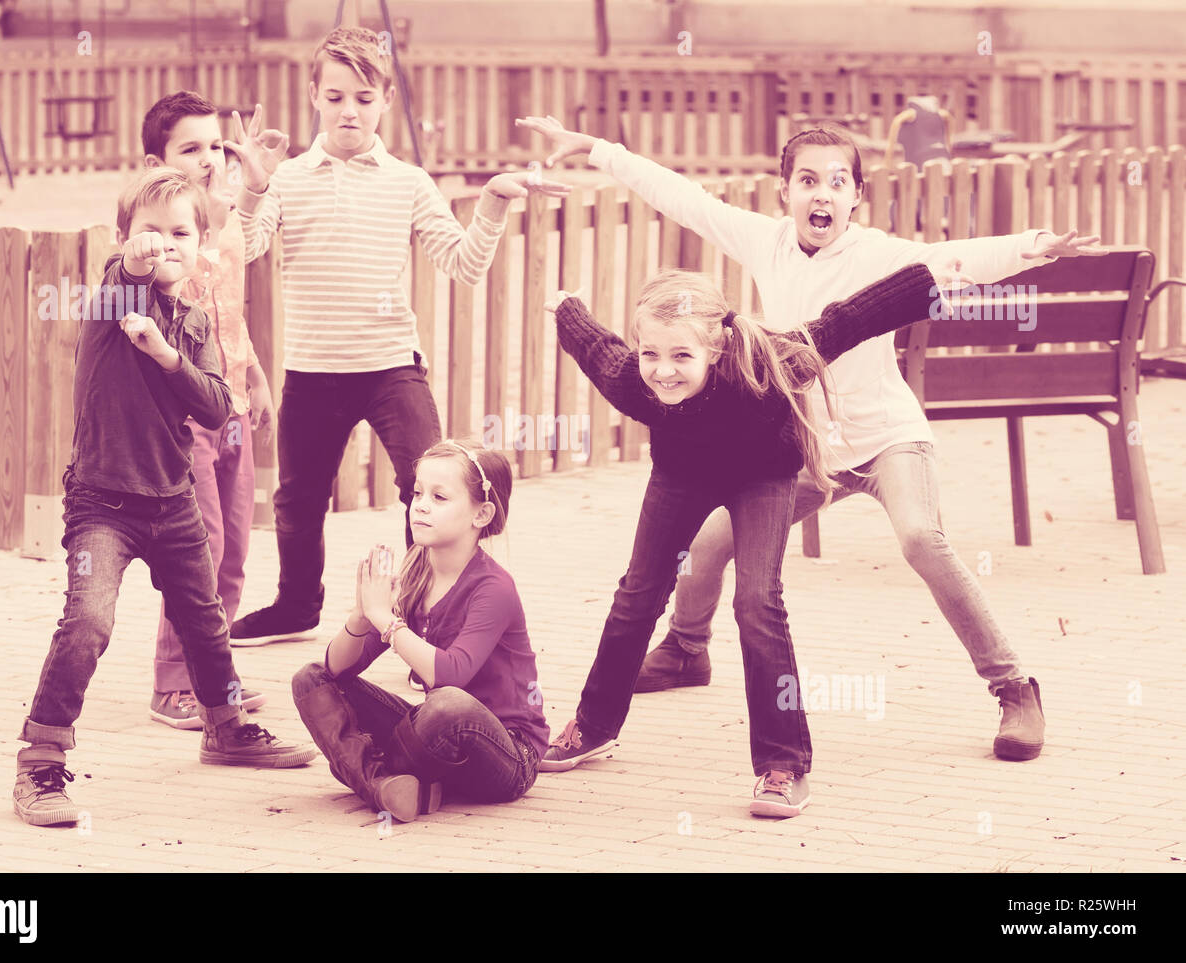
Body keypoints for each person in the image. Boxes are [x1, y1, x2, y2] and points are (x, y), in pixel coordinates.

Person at [519, 116, 1105, 762]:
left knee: (920, 537)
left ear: (856, 195)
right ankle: (688, 648)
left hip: (884, 436)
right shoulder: (764, 242)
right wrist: (601, 151)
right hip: (801, 442)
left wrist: (1035, 246)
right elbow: (685, 200)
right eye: (807, 181)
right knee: (712, 539)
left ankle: (1013, 684)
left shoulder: (879, 253)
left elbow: (952, 263)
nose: (821, 194)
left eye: (836, 182)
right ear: (784, 191)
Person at [539, 262, 949, 817]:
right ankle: (593, 726)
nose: (662, 371)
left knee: (757, 601)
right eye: (651, 354)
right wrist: (568, 308)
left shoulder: (769, 359)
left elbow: (846, 321)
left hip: (764, 476)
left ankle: (785, 764)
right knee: (638, 594)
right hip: (682, 475)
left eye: (681, 356)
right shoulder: (634, 381)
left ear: (717, 345)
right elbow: (597, 348)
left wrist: (929, 283)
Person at [227, 27, 569, 651]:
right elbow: (244, 249)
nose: (348, 110)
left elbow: (464, 264)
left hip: (391, 366)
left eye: (363, 96)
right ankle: (297, 605)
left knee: (430, 485)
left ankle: (425, 619)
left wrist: (491, 202)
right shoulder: (287, 178)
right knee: (297, 499)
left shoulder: (407, 181)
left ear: (386, 98)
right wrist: (251, 186)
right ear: (313, 97)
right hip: (313, 368)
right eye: (334, 97)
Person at [13, 167, 315, 828]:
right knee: (89, 619)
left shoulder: (196, 322)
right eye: (149, 232)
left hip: (173, 501)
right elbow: (127, 276)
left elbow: (213, 406)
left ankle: (226, 725)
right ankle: (39, 760)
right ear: (122, 239)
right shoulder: (113, 301)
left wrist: (167, 355)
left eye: (180, 232)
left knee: (205, 620)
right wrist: (133, 265)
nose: (164, 244)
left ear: (202, 244)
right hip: (102, 505)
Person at [292, 440, 548, 822]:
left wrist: (386, 619)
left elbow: (449, 675)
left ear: (482, 514)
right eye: (417, 493)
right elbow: (337, 669)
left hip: (507, 755)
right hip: (437, 743)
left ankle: (366, 774)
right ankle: (385, 786)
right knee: (310, 680)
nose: (421, 505)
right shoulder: (416, 568)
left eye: (439, 497)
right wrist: (362, 616)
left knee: (447, 704)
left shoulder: (494, 588)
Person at [138, 90, 275, 728]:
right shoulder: (158, 241)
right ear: (155, 163)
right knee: (198, 545)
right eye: (190, 149)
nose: (209, 160)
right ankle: (173, 682)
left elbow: (231, 317)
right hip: (183, 418)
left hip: (234, 409)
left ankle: (215, 674)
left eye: (214, 146)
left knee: (237, 546)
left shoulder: (223, 224)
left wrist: (258, 380)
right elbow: (180, 295)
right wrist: (212, 222)